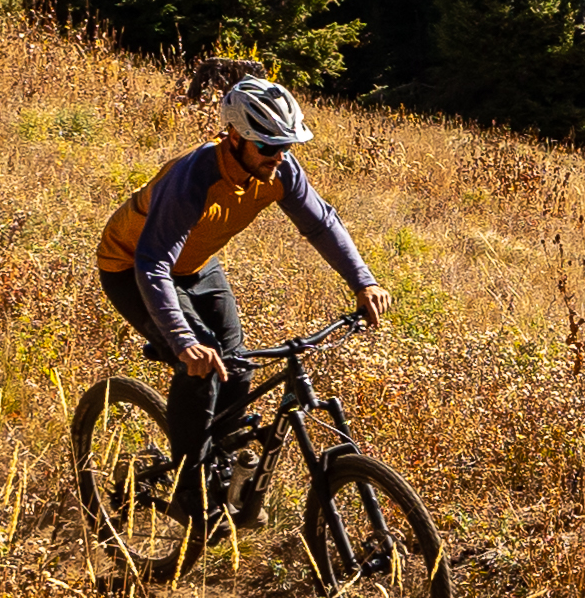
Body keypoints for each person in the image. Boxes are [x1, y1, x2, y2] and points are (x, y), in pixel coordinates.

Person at [97, 75, 389, 502]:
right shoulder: (194, 178)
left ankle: (220, 475)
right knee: (201, 368)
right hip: (131, 265)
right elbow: (152, 262)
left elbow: (321, 223)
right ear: (234, 137)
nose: (280, 156)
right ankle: (190, 489)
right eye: (268, 146)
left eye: (287, 145)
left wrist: (364, 281)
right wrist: (183, 342)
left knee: (238, 366)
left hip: (196, 264)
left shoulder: (280, 170)